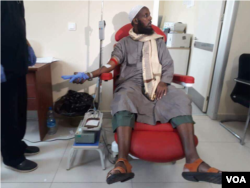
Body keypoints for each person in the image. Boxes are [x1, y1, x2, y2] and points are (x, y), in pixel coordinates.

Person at [62, 5, 222, 185]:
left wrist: (163, 81)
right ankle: (122, 161)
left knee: (180, 98)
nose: (150, 18)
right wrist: (89, 74)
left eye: (149, 15)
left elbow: (168, 65)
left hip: (158, 86)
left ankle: (193, 162)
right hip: (131, 87)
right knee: (122, 99)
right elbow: (111, 65)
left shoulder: (158, 41)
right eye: (146, 16)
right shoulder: (123, 44)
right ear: (135, 20)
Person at [0, 0, 39, 172]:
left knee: (19, 109)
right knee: (6, 113)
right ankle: (11, 156)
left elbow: (18, 28)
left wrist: (27, 46)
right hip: (4, 64)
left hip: (18, 62)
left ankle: (18, 144)